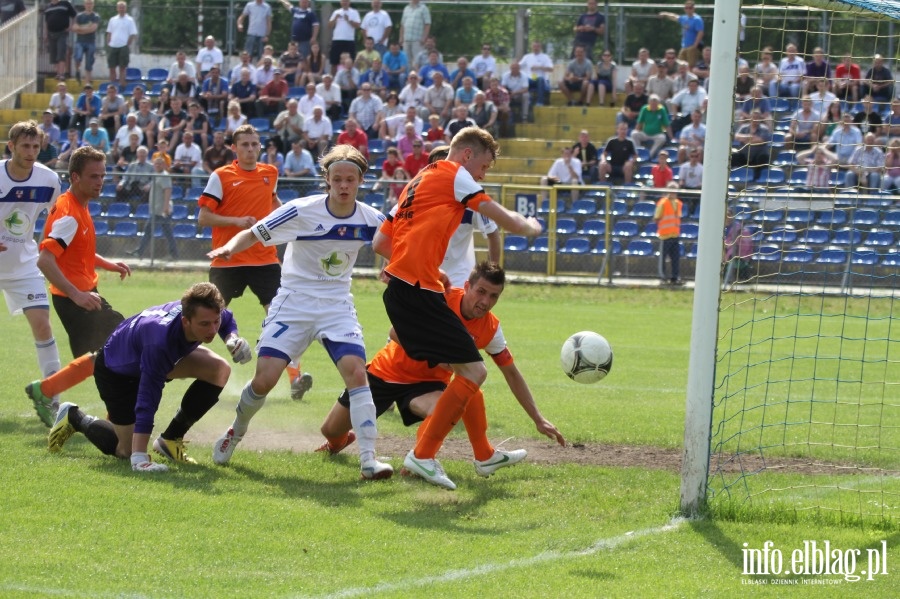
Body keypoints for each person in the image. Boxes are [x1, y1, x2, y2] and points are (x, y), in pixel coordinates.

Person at [371, 127, 543, 490]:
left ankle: (482, 455)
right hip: (418, 293)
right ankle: (423, 455)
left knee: (469, 372)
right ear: (467, 155)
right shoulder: (454, 174)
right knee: (474, 371)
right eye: (484, 166)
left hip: (411, 290)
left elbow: (380, 241)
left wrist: (429, 270)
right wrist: (528, 226)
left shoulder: (418, 179)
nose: (482, 175)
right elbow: (501, 218)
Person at [209, 145, 390, 480]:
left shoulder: (371, 218)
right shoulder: (300, 210)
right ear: (327, 180)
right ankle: (236, 431)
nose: (344, 185)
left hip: (336, 305)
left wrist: (396, 268)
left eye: (350, 179)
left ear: (361, 180)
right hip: (293, 302)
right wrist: (229, 248)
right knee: (264, 380)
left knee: (356, 373)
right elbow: (254, 232)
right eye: (337, 179)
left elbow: (397, 247)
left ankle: (369, 459)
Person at [318, 262, 565, 473]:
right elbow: (395, 333)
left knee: (450, 407)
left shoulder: (491, 329)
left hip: (427, 386)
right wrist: (444, 359)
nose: (485, 301)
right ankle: (339, 441)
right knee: (330, 429)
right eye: (481, 291)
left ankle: (420, 459)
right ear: (467, 287)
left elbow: (511, 373)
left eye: (493, 296)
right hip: (385, 373)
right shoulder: (441, 301)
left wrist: (538, 418)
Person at [48, 282, 252, 472]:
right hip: (116, 372)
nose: (213, 329)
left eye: (215, 322)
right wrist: (139, 457)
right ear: (185, 320)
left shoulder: (205, 312)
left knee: (218, 370)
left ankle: (170, 440)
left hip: (144, 356)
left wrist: (231, 338)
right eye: (205, 324)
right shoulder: (159, 343)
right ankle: (75, 417)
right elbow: (148, 398)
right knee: (125, 451)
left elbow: (226, 317)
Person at [25, 146, 131, 423]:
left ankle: (45, 390)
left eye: (103, 176)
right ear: (75, 177)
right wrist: (77, 295)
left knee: (106, 358)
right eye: (94, 176)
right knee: (123, 350)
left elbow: (78, 250)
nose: (100, 182)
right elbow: (45, 260)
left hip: (82, 295)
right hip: (76, 299)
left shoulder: (76, 204)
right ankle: (115, 422)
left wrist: (109, 265)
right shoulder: (70, 214)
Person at [1, 122, 64, 426]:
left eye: (35, 147)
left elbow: (53, 221)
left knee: (43, 326)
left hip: (24, 264)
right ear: (10, 146)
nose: (30, 152)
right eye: (24, 146)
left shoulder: (49, 180)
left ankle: (52, 398)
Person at [128, 155, 178, 259]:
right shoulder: (156, 175)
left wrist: (166, 207)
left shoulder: (165, 175)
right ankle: (139, 252)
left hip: (162, 210)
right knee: (150, 231)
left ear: (164, 165)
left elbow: (167, 191)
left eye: (160, 163)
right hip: (155, 210)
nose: (158, 165)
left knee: (166, 233)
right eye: (156, 163)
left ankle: (173, 255)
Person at [659, 0, 704, 68]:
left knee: (690, 66)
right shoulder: (684, 18)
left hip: (693, 47)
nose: (688, 9)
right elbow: (674, 17)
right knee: (680, 65)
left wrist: (694, 46)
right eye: (686, 8)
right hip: (684, 46)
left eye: (690, 8)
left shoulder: (697, 19)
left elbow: (700, 32)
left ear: (693, 9)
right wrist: (665, 14)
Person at [654, 182, 682, 285]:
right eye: (671, 190)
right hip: (665, 236)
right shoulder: (663, 203)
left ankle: (675, 277)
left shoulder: (679, 203)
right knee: (663, 258)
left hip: (675, 235)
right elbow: (657, 217)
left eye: (675, 190)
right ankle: (662, 277)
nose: (673, 192)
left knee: (675, 258)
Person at [106, 1, 137, 89]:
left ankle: (122, 85)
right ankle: (112, 86)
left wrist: (128, 43)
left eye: (123, 7)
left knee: (122, 68)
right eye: (120, 7)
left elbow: (133, 33)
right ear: (117, 8)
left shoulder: (130, 20)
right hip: (113, 46)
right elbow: (109, 32)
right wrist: (109, 42)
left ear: (125, 8)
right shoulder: (112, 19)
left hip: (123, 46)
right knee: (112, 67)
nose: (121, 9)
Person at [44, 0, 77, 81]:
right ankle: (57, 73)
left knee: (61, 53)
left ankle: (61, 74)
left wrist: (72, 26)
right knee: (54, 55)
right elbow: (46, 22)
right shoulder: (48, 7)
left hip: (62, 33)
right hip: (51, 34)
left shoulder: (65, 3)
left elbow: (74, 15)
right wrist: (45, 34)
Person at [631, 94, 671, 160]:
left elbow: (667, 125)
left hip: (657, 134)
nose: (654, 106)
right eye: (652, 104)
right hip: (645, 133)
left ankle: (649, 155)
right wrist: (637, 130)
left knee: (662, 137)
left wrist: (671, 137)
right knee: (634, 134)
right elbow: (639, 123)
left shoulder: (662, 109)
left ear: (658, 104)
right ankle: (638, 153)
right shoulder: (644, 109)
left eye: (655, 104)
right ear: (649, 103)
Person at [328, 0, 361, 75]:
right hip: (337, 39)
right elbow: (329, 26)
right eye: (343, 1)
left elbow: (358, 26)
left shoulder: (354, 12)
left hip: (349, 40)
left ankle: (350, 81)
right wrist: (335, 18)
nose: (344, 3)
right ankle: (333, 80)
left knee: (350, 61)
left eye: (346, 1)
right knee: (334, 62)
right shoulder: (336, 12)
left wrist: (349, 20)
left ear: (349, 2)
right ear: (340, 2)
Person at [72, 0, 100, 86]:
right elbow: (74, 27)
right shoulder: (79, 16)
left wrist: (80, 30)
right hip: (80, 42)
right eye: (87, 3)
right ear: (84, 5)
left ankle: (87, 83)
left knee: (89, 63)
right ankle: (77, 71)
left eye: (91, 3)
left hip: (91, 42)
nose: (89, 5)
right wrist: (86, 30)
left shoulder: (95, 16)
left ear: (93, 5)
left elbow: (93, 28)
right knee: (77, 58)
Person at [519, 41, 553, 107]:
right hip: (529, 79)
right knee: (523, 79)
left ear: (540, 47)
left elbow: (551, 69)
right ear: (531, 47)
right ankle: (524, 102)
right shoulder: (527, 57)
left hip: (540, 79)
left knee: (540, 79)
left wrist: (539, 67)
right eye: (534, 46)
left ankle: (540, 102)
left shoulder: (545, 57)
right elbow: (519, 66)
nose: (536, 48)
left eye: (537, 46)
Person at [400, 0, 431, 64]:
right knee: (406, 61)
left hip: (418, 40)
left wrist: (424, 38)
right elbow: (402, 24)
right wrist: (401, 37)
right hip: (406, 39)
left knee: (418, 61)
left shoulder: (424, 8)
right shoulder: (406, 8)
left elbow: (427, 24)